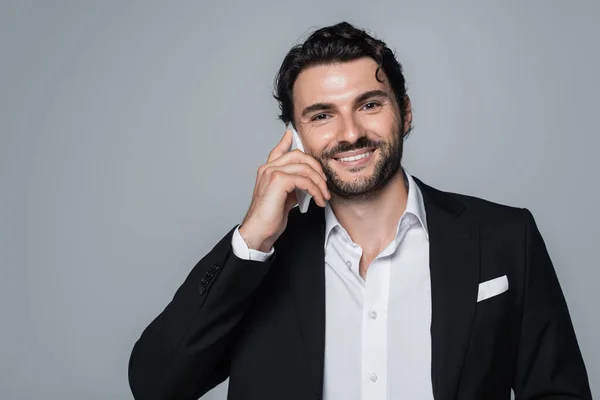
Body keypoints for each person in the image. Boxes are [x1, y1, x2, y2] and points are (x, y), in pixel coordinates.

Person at [128, 22, 592, 400]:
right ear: (296, 135)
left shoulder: (506, 238)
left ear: (405, 112)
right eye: (322, 115)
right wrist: (252, 239)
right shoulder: (259, 259)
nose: (349, 133)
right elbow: (156, 385)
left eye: (369, 104)